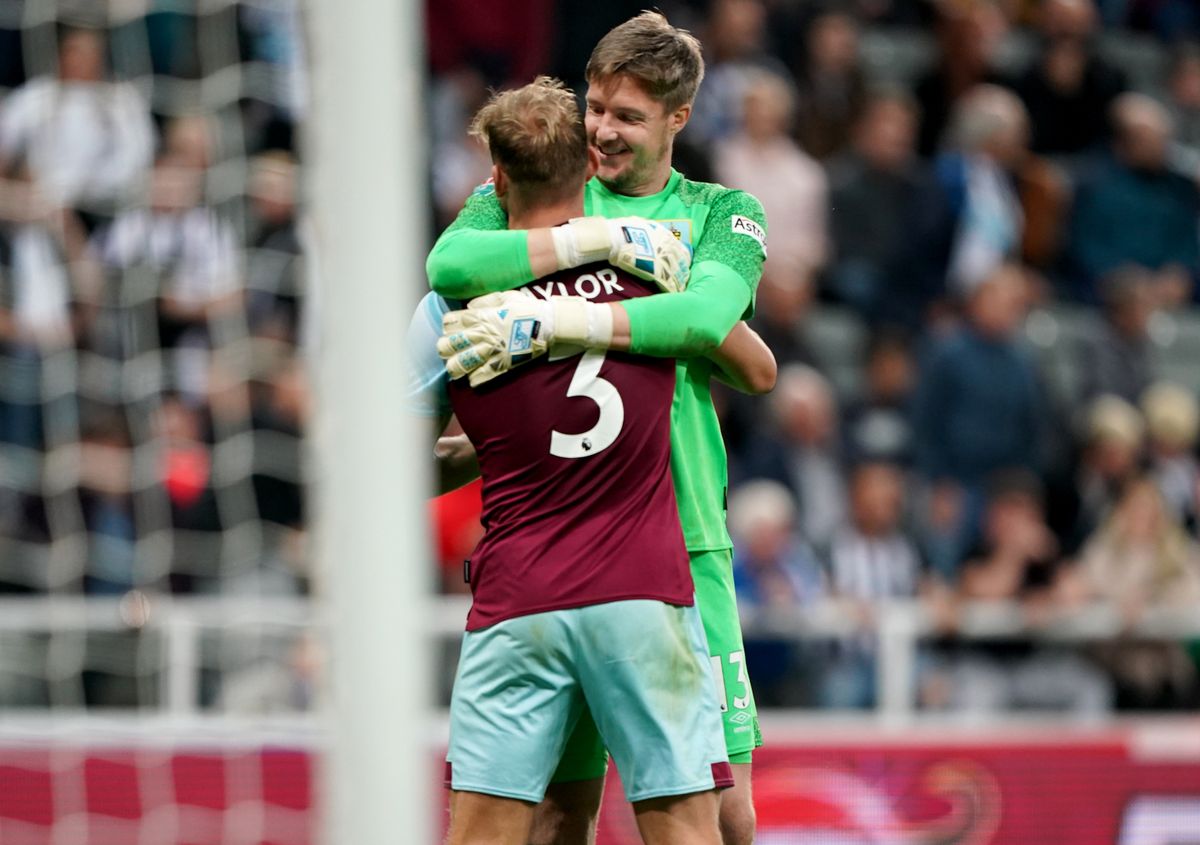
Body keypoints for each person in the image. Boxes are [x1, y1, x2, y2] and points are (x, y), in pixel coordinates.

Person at [426, 13, 772, 844]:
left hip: (684, 535)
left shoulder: (721, 209)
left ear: (678, 119)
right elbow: (451, 265)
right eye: (596, 107)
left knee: (728, 816)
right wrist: (612, 238)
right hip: (563, 535)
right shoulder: (543, 187)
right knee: (556, 811)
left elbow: (712, 320)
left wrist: (560, 323)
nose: (603, 131)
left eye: (628, 116)